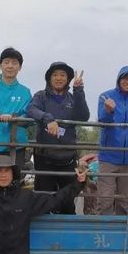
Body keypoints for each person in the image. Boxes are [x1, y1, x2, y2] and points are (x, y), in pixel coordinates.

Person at [27, 62, 90, 214]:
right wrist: (47, 118)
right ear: (49, 78)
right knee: (43, 197)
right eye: (55, 75)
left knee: (68, 199)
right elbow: (31, 109)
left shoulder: (72, 98)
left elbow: (83, 117)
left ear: (68, 79)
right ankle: (42, 232)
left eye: (63, 75)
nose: (59, 78)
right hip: (44, 156)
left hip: (67, 157)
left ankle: (67, 232)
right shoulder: (41, 96)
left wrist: (79, 91)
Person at [95, 66, 128, 215]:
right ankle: (102, 236)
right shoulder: (105, 96)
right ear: (119, 79)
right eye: (125, 78)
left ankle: (121, 236)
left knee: (125, 203)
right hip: (108, 158)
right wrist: (108, 110)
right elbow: (103, 120)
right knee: (105, 201)